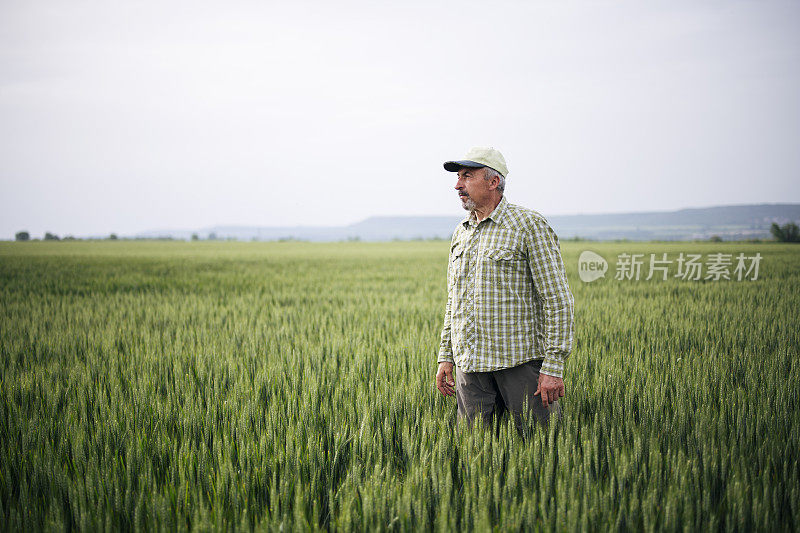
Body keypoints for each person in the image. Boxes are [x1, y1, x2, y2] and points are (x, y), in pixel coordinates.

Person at [435, 146, 575, 432]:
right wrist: (446, 355)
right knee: (475, 452)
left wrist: (553, 366)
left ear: (493, 181)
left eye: (467, 176)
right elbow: (455, 301)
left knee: (540, 449)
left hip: (519, 364)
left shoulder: (528, 225)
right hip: (470, 368)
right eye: (458, 177)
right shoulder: (461, 231)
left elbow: (557, 299)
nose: (457, 185)